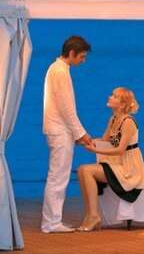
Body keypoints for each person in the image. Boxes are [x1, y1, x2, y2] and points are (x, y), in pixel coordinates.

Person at [76, 87, 144, 232]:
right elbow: (104, 140)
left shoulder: (128, 122)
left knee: (86, 170)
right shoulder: (113, 119)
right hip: (116, 163)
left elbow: (120, 150)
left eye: (114, 96)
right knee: (81, 170)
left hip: (129, 167)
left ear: (122, 105)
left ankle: (94, 216)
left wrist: (94, 150)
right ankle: (91, 215)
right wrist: (85, 140)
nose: (109, 97)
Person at [41, 36, 93, 234]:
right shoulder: (60, 71)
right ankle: (51, 222)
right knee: (58, 177)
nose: (83, 60)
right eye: (82, 56)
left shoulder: (57, 69)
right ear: (71, 53)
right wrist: (81, 134)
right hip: (59, 131)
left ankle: (52, 220)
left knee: (57, 176)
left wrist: (78, 134)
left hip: (59, 130)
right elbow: (66, 109)